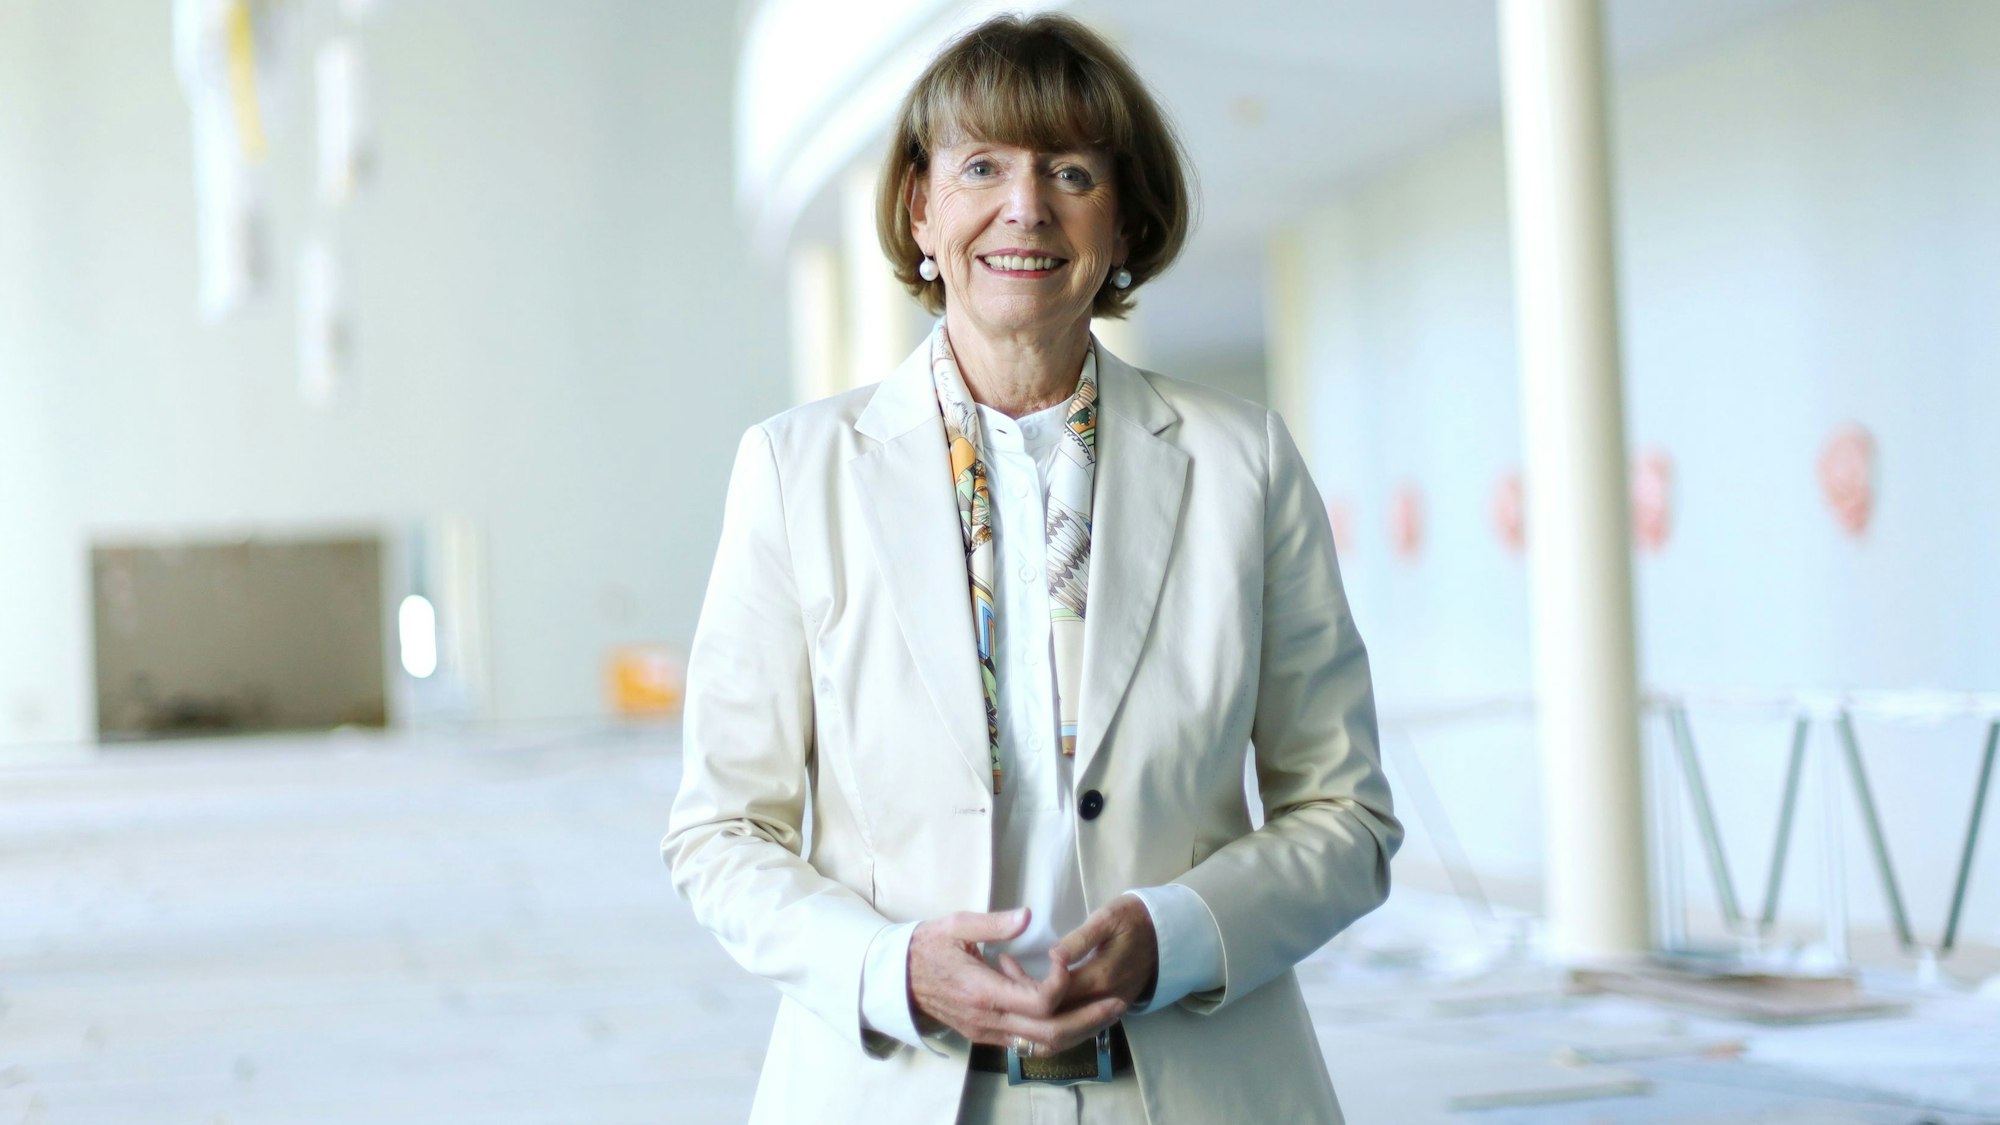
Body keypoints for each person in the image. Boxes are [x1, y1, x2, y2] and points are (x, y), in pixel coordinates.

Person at [663, 13, 1399, 1124]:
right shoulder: (793, 471)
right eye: (981, 168)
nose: (1025, 207)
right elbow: (721, 833)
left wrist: (1177, 935)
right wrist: (889, 967)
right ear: (920, 207)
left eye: (1071, 171)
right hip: (893, 1085)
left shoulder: (1241, 463)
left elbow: (1346, 814)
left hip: (1192, 1086)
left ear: (1125, 218)